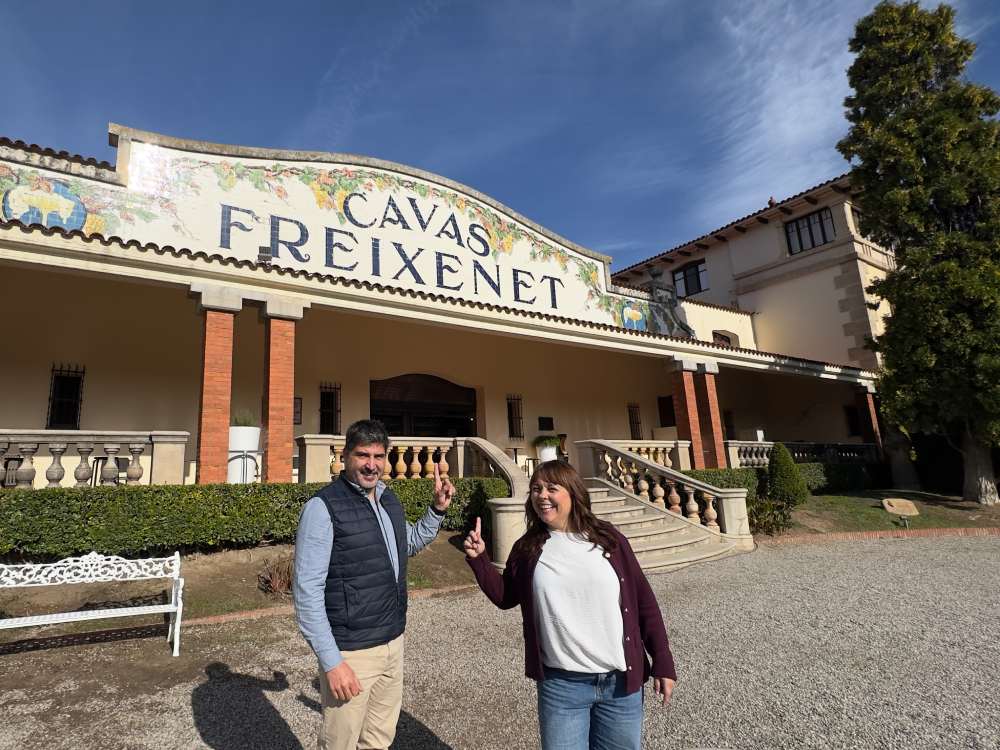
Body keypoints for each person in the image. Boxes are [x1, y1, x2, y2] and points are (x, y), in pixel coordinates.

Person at [464, 460, 676, 750]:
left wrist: (662, 660)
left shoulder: (610, 540)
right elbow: (505, 597)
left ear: (573, 493)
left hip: (620, 685)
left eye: (552, 488)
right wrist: (480, 560)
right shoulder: (528, 548)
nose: (541, 495)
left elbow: (644, 602)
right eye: (536, 489)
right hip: (561, 687)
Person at [294, 419, 455, 750]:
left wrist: (437, 510)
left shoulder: (388, 499)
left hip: (392, 642)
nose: (371, 465)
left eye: (378, 456)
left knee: (379, 739)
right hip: (351, 651)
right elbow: (307, 593)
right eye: (362, 455)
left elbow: (406, 544)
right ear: (346, 456)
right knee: (340, 742)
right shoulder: (323, 508)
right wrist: (332, 662)